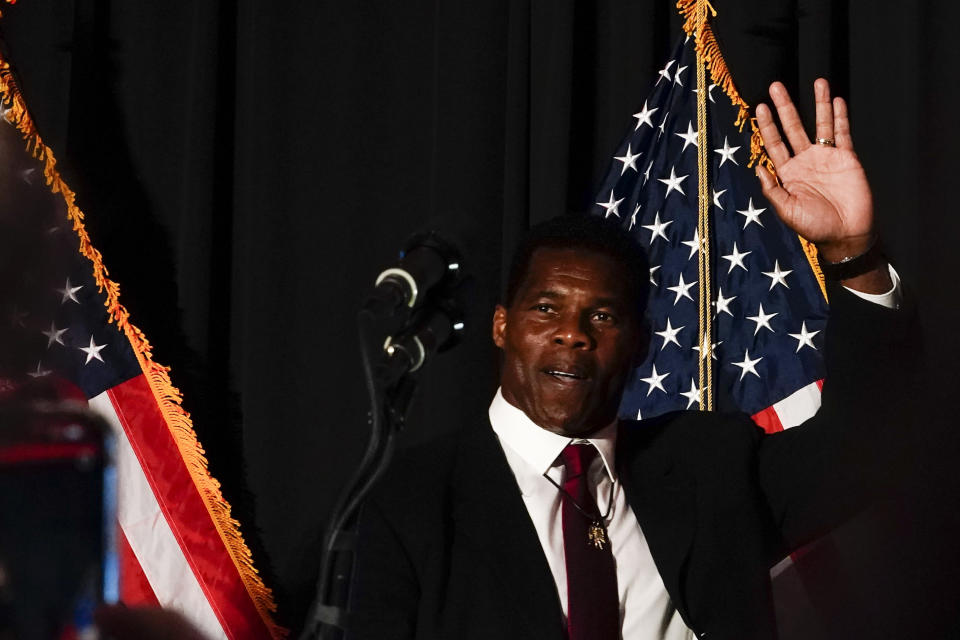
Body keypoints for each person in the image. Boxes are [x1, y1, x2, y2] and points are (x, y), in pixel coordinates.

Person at [347, 80, 912, 640]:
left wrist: (851, 252)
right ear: (502, 326)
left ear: (640, 343)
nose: (572, 334)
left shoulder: (712, 465)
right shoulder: (411, 498)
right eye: (546, 309)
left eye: (603, 317)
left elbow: (865, 445)